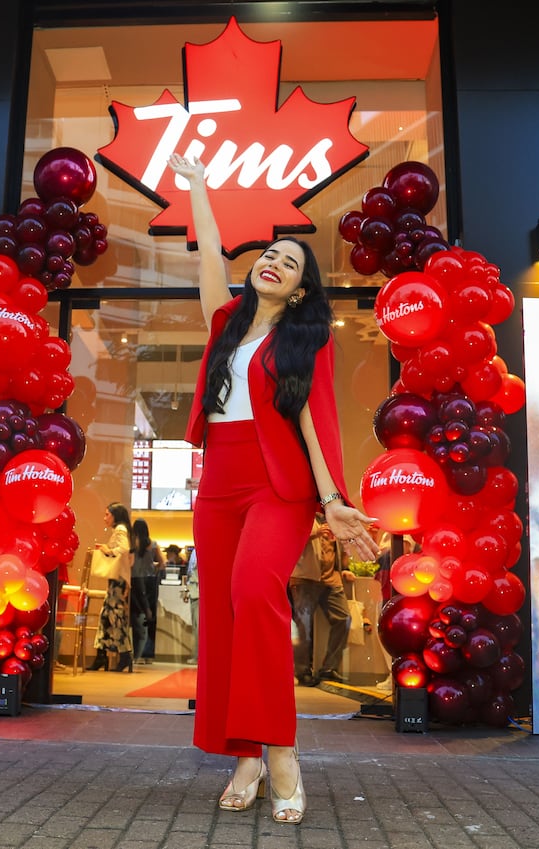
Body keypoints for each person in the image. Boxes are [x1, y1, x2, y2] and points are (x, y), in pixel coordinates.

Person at [167, 153, 379, 826]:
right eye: (270, 255)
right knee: (223, 614)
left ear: (299, 289)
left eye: (290, 263)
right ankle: (245, 757)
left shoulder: (303, 338)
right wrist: (199, 188)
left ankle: (281, 750)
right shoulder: (227, 322)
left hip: (276, 483)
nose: (275, 263)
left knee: (254, 592)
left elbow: (314, 420)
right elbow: (209, 256)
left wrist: (331, 498)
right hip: (218, 483)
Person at [289, 519, 355, 687]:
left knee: (344, 618)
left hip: (331, 579)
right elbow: (289, 539)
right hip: (305, 578)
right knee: (304, 626)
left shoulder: (333, 519)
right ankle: (303, 671)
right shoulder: (304, 517)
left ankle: (329, 668)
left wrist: (345, 569)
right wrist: (315, 533)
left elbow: (341, 550)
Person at [88, 502, 135, 673]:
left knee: (114, 617)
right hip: (119, 579)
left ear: (116, 515)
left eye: (107, 514)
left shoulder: (120, 529)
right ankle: (105, 655)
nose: (105, 518)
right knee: (108, 617)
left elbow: (123, 549)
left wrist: (108, 550)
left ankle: (122, 654)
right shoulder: (123, 529)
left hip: (118, 580)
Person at [130, 518, 164, 665]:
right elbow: (163, 563)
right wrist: (153, 569)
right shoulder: (153, 544)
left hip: (136, 582)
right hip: (150, 582)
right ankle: (148, 654)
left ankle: (136, 653)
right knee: (150, 618)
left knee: (136, 617)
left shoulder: (132, 544)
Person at [180, 546, 199, 664]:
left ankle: (198, 656)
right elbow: (191, 574)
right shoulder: (195, 552)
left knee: (199, 628)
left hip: (198, 593)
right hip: (194, 593)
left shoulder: (199, 551)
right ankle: (197, 655)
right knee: (196, 627)